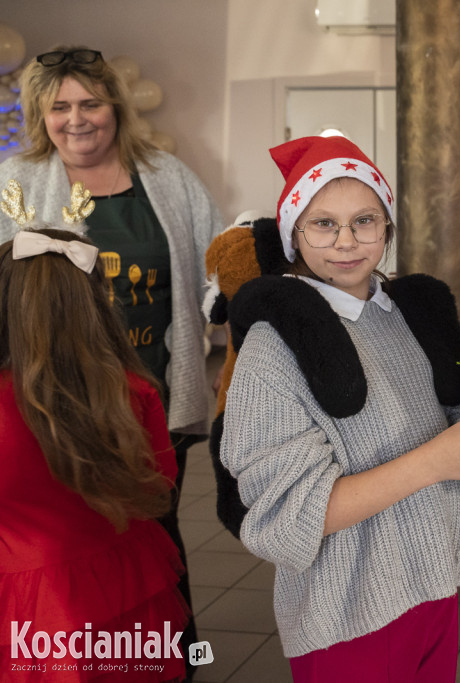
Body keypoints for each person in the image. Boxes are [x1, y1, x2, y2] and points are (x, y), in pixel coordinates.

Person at [220, 135, 460, 681]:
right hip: (348, 613)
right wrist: (438, 459)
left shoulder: (404, 317)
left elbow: (448, 439)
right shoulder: (277, 346)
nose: (346, 241)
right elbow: (284, 519)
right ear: (294, 233)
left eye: (364, 221)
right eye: (322, 224)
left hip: (435, 589)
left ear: (387, 228)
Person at [0, 45, 223, 671]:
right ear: (40, 115)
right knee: (65, 545)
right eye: (59, 106)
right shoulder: (12, 178)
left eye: (90, 103)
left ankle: (173, 659)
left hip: (151, 395)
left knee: (157, 536)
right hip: (51, 407)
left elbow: (216, 263)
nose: (76, 119)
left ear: (115, 108)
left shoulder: (168, 177)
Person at [0, 225, 188, 682]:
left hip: (27, 592)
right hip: (129, 578)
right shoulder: (137, 390)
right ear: (98, 305)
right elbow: (161, 485)